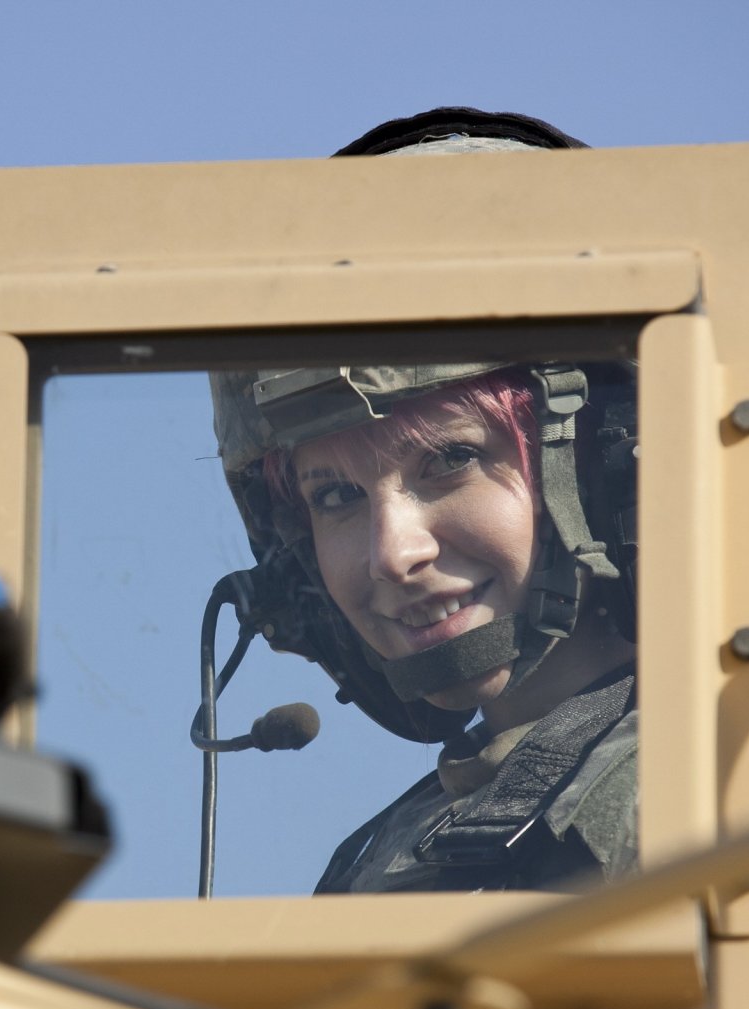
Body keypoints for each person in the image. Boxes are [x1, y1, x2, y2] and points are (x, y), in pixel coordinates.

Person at [207, 112, 637, 894]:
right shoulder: (379, 852)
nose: (392, 553)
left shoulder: (726, 780)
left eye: (451, 461)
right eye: (335, 496)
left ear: (606, 461)